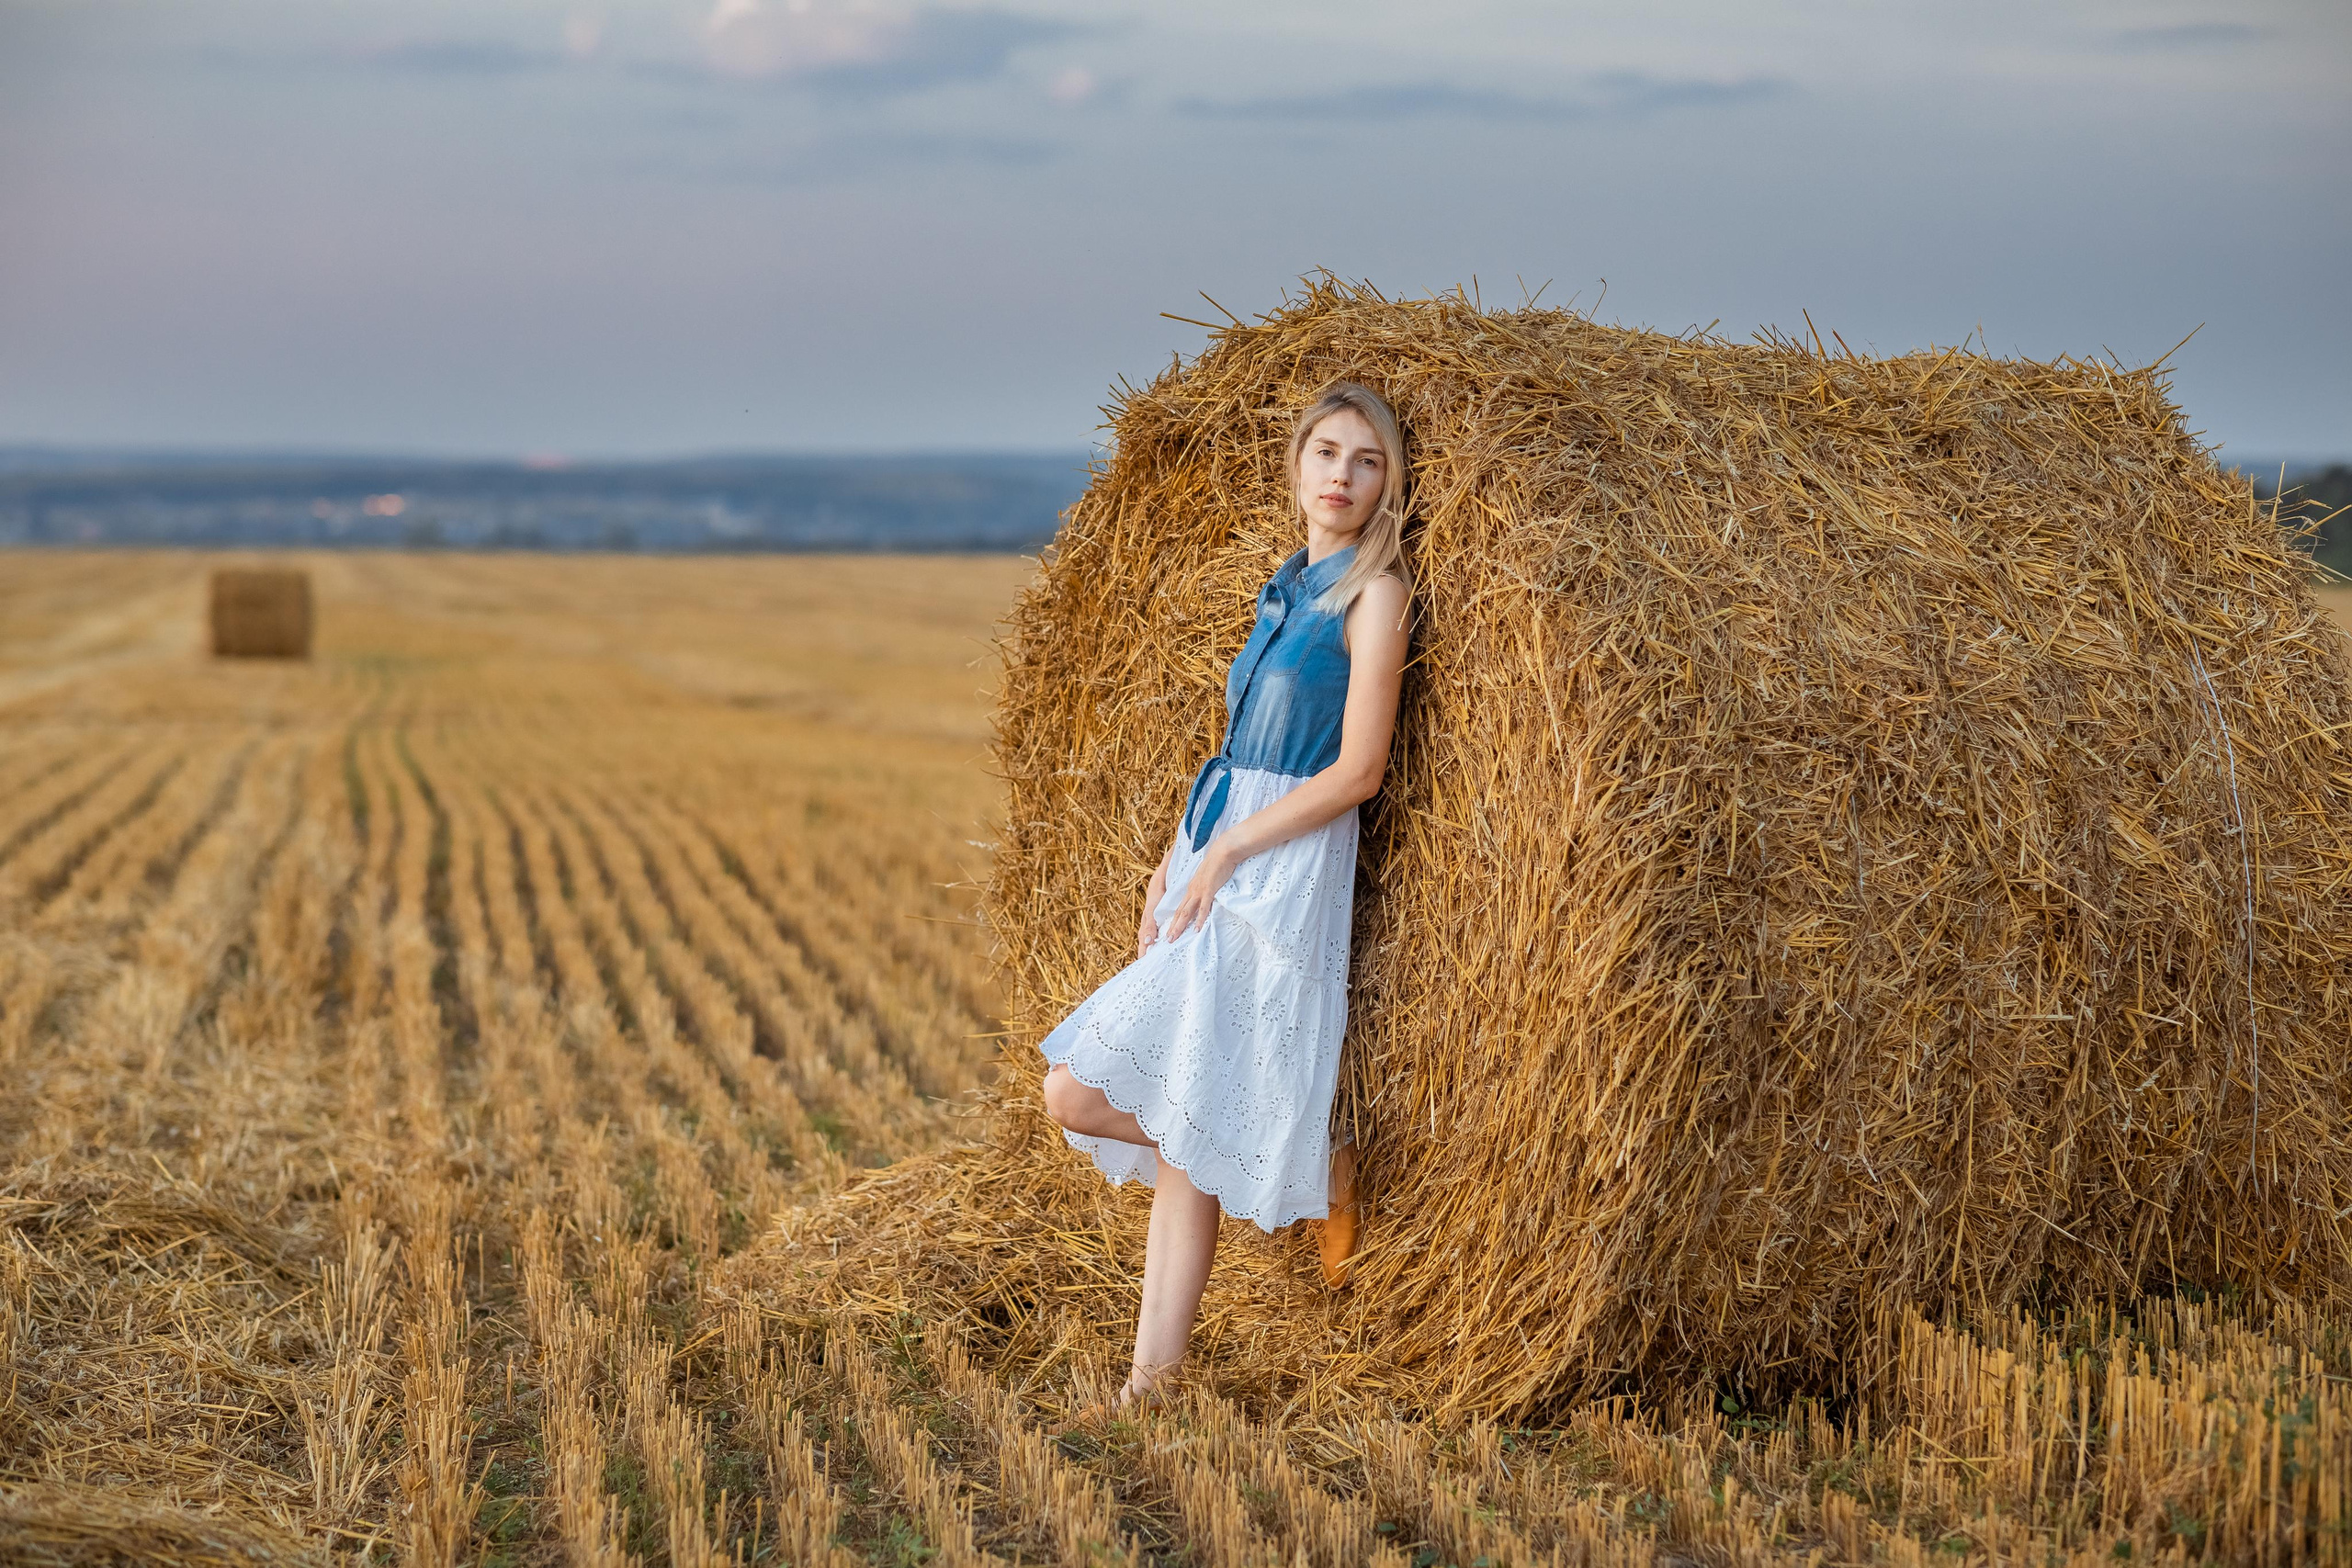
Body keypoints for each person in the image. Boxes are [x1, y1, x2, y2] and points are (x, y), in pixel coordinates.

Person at [1036, 380, 1413, 1415]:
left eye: (1366, 460)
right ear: (1295, 467)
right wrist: (1178, 853)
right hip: (1220, 853)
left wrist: (1229, 852)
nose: (1342, 476)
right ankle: (1150, 1386)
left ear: (1389, 484)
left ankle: (1302, 1148)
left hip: (1283, 871)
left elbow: (1359, 770)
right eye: (1327, 453)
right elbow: (1235, 750)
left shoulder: (1374, 596)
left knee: (1078, 1091)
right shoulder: (1282, 587)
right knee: (1188, 1127)